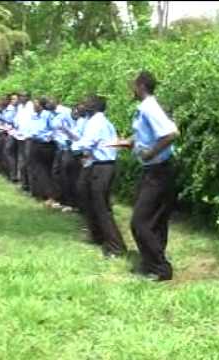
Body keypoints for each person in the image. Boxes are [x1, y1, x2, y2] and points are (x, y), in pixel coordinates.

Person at [110, 71, 179, 281]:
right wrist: (129, 142)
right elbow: (146, 135)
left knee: (140, 222)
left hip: (160, 171)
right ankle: (151, 265)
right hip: (154, 170)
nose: (131, 89)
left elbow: (171, 133)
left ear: (141, 86)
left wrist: (150, 153)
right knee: (155, 220)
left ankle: (160, 268)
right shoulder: (145, 109)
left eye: (133, 85)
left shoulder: (149, 107)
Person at [71, 95, 127, 257]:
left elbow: (88, 142)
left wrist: (74, 147)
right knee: (96, 204)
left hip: (102, 167)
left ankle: (116, 247)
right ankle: (100, 237)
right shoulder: (100, 121)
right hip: (102, 165)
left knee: (102, 207)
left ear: (95, 106)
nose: (84, 105)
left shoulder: (96, 122)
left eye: (87, 102)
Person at [13, 91, 35, 192]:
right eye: (20, 96)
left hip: (29, 137)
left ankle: (31, 186)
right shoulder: (19, 107)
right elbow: (17, 120)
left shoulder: (32, 107)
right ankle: (24, 184)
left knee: (28, 162)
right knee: (21, 162)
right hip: (20, 137)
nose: (21, 98)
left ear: (28, 97)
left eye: (24, 96)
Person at [3, 93, 19, 181]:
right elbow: (7, 119)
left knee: (11, 153)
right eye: (13, 99)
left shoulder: (18, 109)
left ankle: (14, 174)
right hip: (11, 133)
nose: (14, 101)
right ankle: (12, 174)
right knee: (9, 153)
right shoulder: (10, 109)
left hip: (16, 134)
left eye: (15, 99)